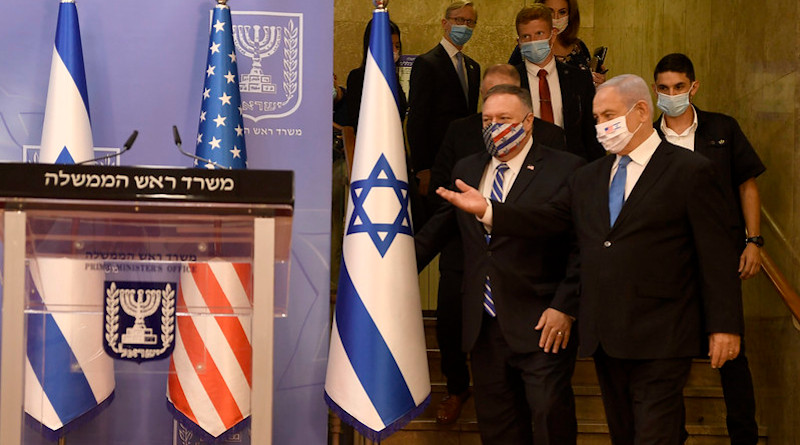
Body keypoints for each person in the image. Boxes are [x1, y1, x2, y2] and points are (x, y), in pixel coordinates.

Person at [437, 74, 745, 445]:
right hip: (606, 334)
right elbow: (549, 219)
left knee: (655, 433)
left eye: (608, 115)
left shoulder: (689, 170)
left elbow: (716, 252)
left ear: (642, 111)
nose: (601, 126)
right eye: (597, 119)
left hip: (664, 333)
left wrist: (725, 325)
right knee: (624, 432)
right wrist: (489, 210)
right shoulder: (590, 175)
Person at [416, 84, 584, 444]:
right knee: (498, 428)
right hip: (485, 325)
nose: (495, 127)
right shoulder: (468, 167)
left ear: (528, 122)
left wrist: (565, 307)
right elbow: (437, 230)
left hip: (544, 323)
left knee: (549, 420)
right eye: (488, 120)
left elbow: (579, 246)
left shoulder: (566, 168)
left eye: (504, 119)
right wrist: (390, 270)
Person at [653, 53, 764, 445]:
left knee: (733, 354)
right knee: (672, 357)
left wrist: (754, 241)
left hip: (722, 258)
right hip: (670, 265)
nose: (672, 95)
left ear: (693, 87)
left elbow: (746, 183)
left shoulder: (722, 128)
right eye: (664, 89)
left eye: (679, 87)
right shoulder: (648, 137)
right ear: (655, 91)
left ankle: (744, 437)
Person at [407, 1, 481, 202]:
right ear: (445, 23)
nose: (464, 26)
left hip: (465, 164)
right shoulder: (427, 63)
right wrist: (422, 167)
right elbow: (417, 120)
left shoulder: (473, 67)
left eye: (470, 22)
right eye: (459, 20)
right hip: (435, 163)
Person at [513, 5, 603, 162]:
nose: (533, 42)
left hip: (572, 168)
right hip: (525, 169)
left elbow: (591, 134)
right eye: (526, 37)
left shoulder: (579, 79)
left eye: (539, 34)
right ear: (519, 42)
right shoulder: (511, 81)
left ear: (553, 35)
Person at [510, 0, 606, 85]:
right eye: (550, 11)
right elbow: (510, 80)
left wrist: (597, 83)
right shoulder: (528, 47)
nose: (556, 18)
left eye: (562, 12)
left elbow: (586, 84)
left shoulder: (578, 47)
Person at [346, 18, 406, 132]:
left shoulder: (394, 78)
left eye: (397, 46)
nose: (394, 51)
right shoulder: (357, 78)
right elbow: (357, 120)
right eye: (389, 46)